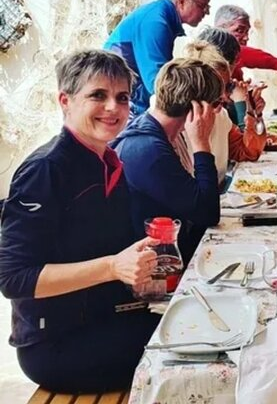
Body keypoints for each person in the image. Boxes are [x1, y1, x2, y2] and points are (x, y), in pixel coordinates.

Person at [0, 50, 159, 392]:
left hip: (107, 316)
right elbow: (13, 278)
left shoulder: (109, 162)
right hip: (56, 345)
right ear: (65, 101)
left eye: (122, 97)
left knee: (194, 326)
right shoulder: (45, 169)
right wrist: (114, 267)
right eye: (98, 95)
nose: (113, 108)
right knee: (184, 355)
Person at [112, 58, 222, 265]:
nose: (217, 113)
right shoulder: (148, 151)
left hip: (166, 253)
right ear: (198, 108)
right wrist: (201, 143)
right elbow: (207, 213)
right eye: (216, 105)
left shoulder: (155, 132)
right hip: (151, 269)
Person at [105, 0, 211, 118]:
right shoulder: (155, 23)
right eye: (202, 6)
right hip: (123, 104)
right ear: (182, 2)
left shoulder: (161, 17)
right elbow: (158, 85)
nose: (207, 12)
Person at [184, 33, 266, 184]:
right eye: (215, 87)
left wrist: (253, 112)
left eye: (228, 86)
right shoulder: (177, 122)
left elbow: (248, 153)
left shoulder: (220, 115)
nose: (224, 95)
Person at [214, 4, 277, 104]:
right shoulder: (208, 54)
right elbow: (241, 52)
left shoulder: (236, 72)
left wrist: (251, 102)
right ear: (219, 29)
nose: (246, 38)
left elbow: (237, 113)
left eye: (247, 32)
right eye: (239, 30)